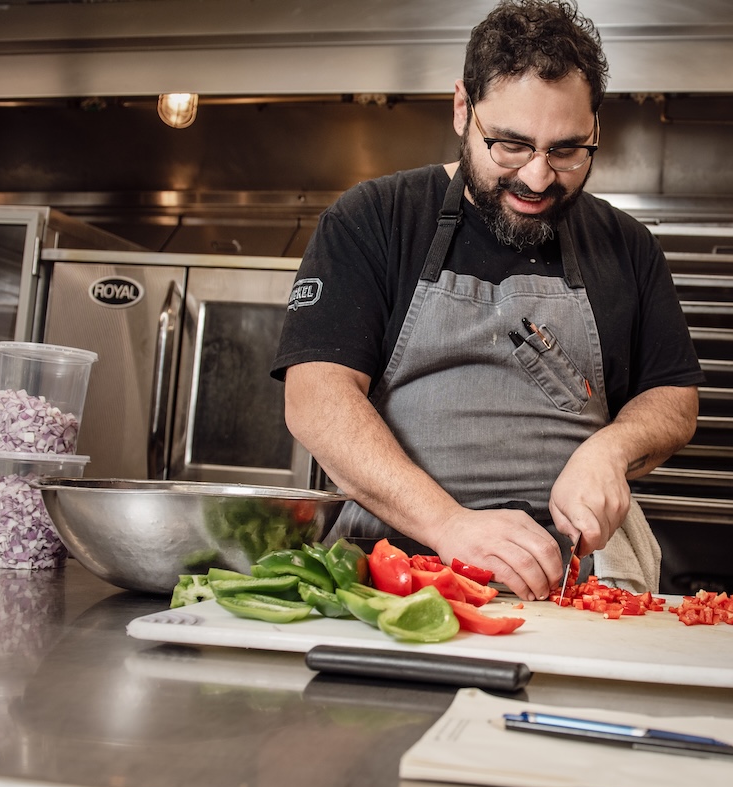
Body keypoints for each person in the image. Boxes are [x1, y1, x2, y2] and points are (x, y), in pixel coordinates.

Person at [272, 0, 702, 601]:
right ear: (461, 110)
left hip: (578, 584)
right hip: (396, 576)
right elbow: (315, 398)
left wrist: (613, 447)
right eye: (510, 145)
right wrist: (448, 524)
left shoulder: (626, 246)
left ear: (596, 130)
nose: (536, 178)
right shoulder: (373, 219)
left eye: (567, 150)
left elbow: (674, 399)